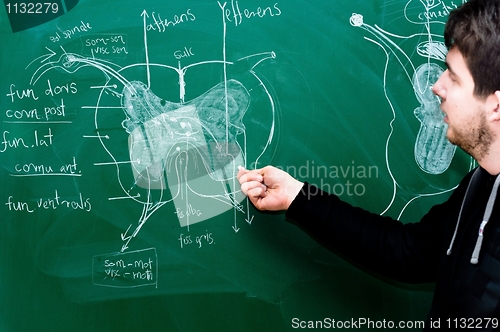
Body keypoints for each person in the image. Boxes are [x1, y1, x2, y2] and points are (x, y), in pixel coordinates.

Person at [237, 0, 500, 329]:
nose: (437, 86)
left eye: (454, 78)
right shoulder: (480, 186)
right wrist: (297, 196)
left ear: (495, 106)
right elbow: (407, 251)